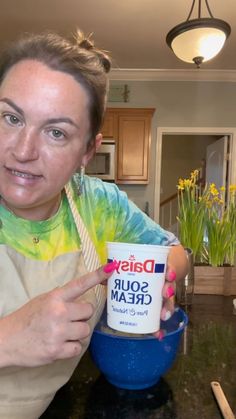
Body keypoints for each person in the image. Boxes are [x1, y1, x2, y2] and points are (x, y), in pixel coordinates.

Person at [0, 29, 188, 418]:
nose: (22, 151)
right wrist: (8, 339)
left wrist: (159, 280)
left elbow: (173, 250)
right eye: (11, 117)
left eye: (56, 132)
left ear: (88, 150)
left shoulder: (97, 202)